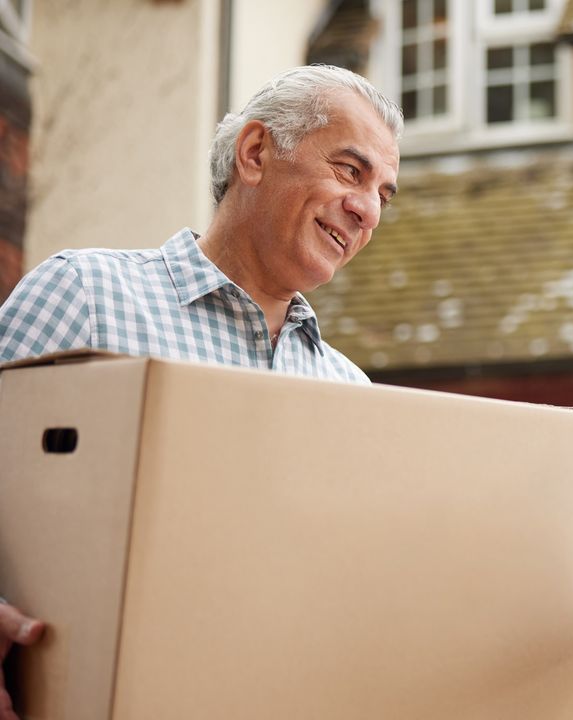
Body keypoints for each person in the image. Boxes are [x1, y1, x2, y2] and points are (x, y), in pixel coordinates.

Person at [0, 64, 402, 720]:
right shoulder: (86, 294)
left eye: (385, 191)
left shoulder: (351, 392)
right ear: (254, 153)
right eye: (350, 171)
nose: (368, 210)